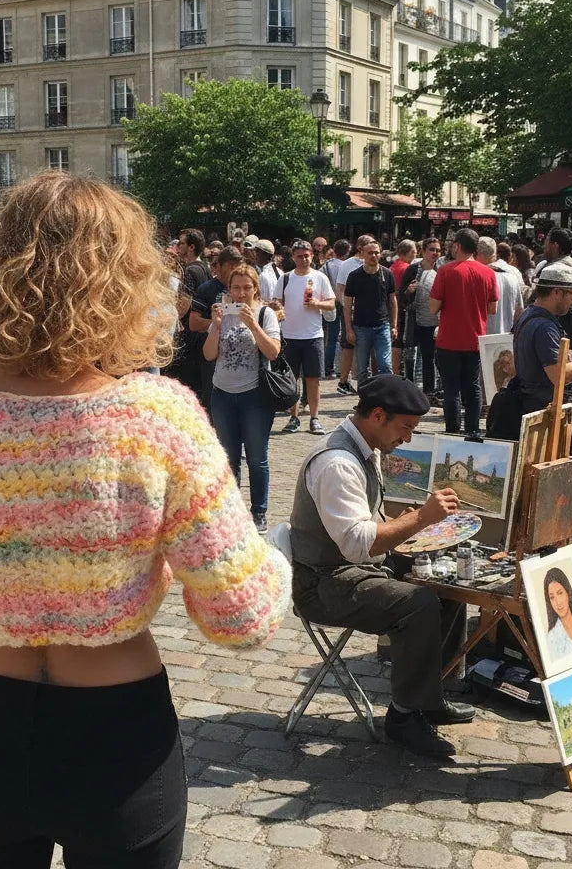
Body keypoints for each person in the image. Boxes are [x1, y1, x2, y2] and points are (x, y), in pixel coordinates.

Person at [0, 171, 290, 868]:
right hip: (119, 740)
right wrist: (274, 555)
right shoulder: (157, 415)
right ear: (129, 283)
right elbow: (241, 619)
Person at [289, 375, 473, 758]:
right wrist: (421, 518)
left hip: (349, 568)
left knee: (447, 583)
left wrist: (409, 530)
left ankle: (428, 698)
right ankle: (404, 717)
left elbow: (366, 524)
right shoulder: (337, 463)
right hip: (322, 582)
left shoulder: (365, 445)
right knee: (418, 603)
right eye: (405, 427)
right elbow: (357, 544)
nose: (407, 438)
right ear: (376, 415)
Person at [203, 263, 281, 532]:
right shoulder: (223, 314)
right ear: (229, 289)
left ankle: (259, 511)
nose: (241, 293)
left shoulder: (265, 314)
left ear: (255, 288)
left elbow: (273, 352)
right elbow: (209, 355)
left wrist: (253, 325)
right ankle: (231, 510)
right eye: (236, 288)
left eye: (247, 287)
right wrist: (215, 326)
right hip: (222, 394)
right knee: (229, 457)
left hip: (254, 396)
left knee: (257, 458)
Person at [428, 229, 498, 436]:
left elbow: (433, 307)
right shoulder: (488, 272)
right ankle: (473, 430)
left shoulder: (446, 271)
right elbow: (492, 308)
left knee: (451, 390)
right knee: (473, 387)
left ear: (457, 246)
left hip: (449, 340)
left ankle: (452, 431)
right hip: (475, 339)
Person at [273, 240, 335, 435]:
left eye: (307, 255)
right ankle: (294, 416)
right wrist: (277, 309)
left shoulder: (320, 277)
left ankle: (315, 418)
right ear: (293, 257)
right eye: (299, 256)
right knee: (292, 379)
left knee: (313, 379)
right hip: (289, 335)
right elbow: (277, 303)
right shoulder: (285, 278)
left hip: (313, 335)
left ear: (312, 255)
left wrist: (317, 303)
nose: (304, 259)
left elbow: (332, 303)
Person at [512, 262, 572, 416]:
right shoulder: (544, 326)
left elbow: (544, 360)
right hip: (545, 411)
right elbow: (560, 376)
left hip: (534, 403)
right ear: (557, 292)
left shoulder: (529, 314)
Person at [189, 246, 244, 410]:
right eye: (231, 266)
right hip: (212, 357)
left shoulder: (244, 288)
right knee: (214, 403)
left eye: (238, 265)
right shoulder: (207, 289)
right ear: (219, 266)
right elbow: (193, 322)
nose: (235, 270)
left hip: (240, 355)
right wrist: (217, 323)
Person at [343, 239, 397, 385]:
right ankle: (364, 401)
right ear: (363, 254)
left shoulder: (387, 274)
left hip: (382, 325)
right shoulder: (354, 276)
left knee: (385, 365)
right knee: (362, 368)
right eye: (370, 253)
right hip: (361, 327)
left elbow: (393, 301)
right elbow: (347, 305)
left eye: (376, 253)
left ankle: (386, 400)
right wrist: (349, 329)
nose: (373, 256)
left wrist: (394, 325)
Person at [164, 227, 209, 397]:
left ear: (191, 247)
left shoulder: (191, 271)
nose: (179, 247)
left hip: (190, 336)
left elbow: (183, 306)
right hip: (201, 334)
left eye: (182, 243)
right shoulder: (204, 268)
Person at [398, 237, 443, 401]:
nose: (435, 253)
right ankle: (409, 389)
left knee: (429, 357)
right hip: (413, 319)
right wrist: (409, 291)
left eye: (437, 250)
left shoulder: (441, 269)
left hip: (433, 322)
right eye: (431, 249)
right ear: (423, 251)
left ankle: (429, 391)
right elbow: (400, 295)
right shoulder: (413, 270)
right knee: (410, 356)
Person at [335, 234, 375, 395]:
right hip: (351, 312)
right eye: (369, 247)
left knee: (370, 347)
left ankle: (368, 379)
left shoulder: (375, 264)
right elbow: (340, 288)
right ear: (361, 248)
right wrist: (348, 308)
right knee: (348, 345)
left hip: (370, 313)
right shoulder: (347, 265)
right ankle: (343, 381)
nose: (373, 253)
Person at [478, 236, 524, 335]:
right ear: (494, 254)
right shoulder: (513, 277)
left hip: (481, 340)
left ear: (476, 254)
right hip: (506, 339)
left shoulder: (478, 278)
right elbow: (519, 312)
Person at [323, 239, 351, 378]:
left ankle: (329, 367)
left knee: (331, 337)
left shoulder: (326, 265)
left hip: (331, 301)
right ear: (347, 251)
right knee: (346, 335)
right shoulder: (347, 265)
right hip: (345, 301)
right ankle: (344, 367)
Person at [389, 239, 416, 376]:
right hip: (400, 306)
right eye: (415, 250)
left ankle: (394, 370)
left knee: (395, 341)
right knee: (398, 342)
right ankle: (396, 371)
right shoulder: (406, 268)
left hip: (393, 306)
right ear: (411, 252)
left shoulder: (393, 266)